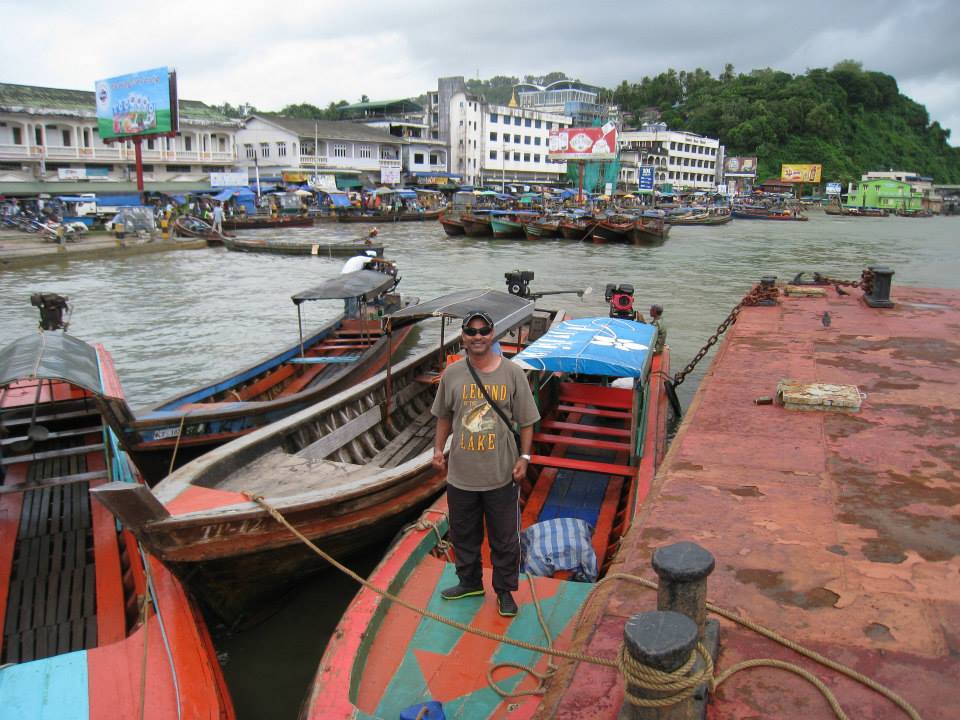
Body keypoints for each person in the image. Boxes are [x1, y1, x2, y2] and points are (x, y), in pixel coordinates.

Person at [431, 311, 540, 618]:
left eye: (483, 331)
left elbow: (528, 421)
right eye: (471, 331)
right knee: (463, 534)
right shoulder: (452, 374)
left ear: (493, 334)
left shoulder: (513, 373)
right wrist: (438, 449)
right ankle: (469, 582)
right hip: (461, 476)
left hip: (501, 475)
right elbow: (444, 416)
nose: (477, 336)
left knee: (505, 539)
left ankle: (504, 591)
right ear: (463, 337)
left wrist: (525, 457)